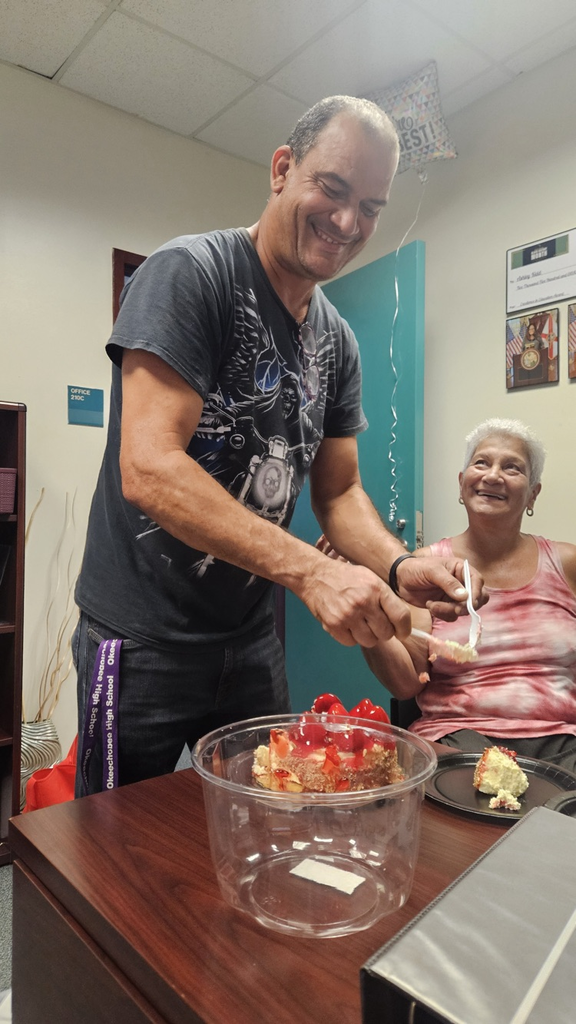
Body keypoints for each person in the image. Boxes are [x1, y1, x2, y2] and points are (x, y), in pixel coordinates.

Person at [73, 95, 485, 795]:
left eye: (373, 205)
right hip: (139, 641)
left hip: (250, 641)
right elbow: (150, 468)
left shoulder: (339, 340)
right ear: (282, 168)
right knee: (113, 846)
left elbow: (339, 490)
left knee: (267, 822)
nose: (350, 222)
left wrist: (396, 565)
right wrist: (315, 574)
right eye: (333, 187)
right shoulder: (189, 274)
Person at [362, 418, 576, 770]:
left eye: (512, 468)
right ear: (462, 485)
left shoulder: (565, 562)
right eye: (481, 463)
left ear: (533, 493)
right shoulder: (425, 567)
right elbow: (406, 684)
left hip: (561, 745)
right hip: (457, 739)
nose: (493, 475)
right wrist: (367, 610)